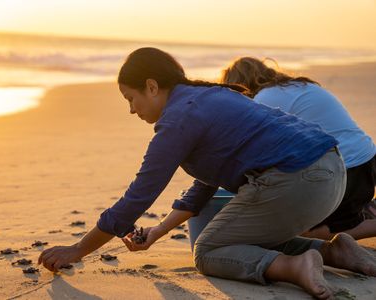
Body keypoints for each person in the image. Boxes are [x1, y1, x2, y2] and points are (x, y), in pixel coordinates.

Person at [39, 47, 376, 299]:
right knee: (243, 238)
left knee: (209, 251)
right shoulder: (210, 97)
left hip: (296, 180)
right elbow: (203, 187)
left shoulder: (178, 119)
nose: (131, 109)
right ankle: (335, 251)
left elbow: (138, 195)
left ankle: (295, 265)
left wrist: (78, 250)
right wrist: (157, 231)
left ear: (152, 86)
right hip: (333, 173)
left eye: (131, 98)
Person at [222, 57, 376, 240]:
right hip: (366, 162)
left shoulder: (265, 98)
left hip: (347, 170)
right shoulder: (300, 86)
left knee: (303, 234)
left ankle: (365, 220)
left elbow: (250, 147)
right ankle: (361, 210)